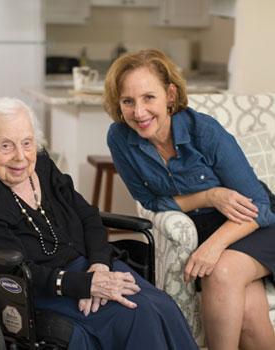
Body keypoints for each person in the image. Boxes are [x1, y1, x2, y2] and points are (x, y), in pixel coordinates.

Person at [0, 97, 198, 350]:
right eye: (6, 146)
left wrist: (99, 266)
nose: (20, 157)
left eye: (27, 143)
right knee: (137, 315)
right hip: (43, 288)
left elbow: (88, 215)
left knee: (162, 304)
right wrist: (83, 285)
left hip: (89, 265)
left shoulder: (42, 165)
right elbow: (14, 270)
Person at [104, 48, 275, 350]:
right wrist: (208, 195)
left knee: (220, 271)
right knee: (248, 313)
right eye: (128, 101)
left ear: (170, 94)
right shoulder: (120, 138)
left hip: (252, 223)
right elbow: (150, 201)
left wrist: (213, 246)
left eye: (148, 97)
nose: (139, 112)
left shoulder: (204, 131)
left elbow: (259, 208)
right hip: (203, 226)